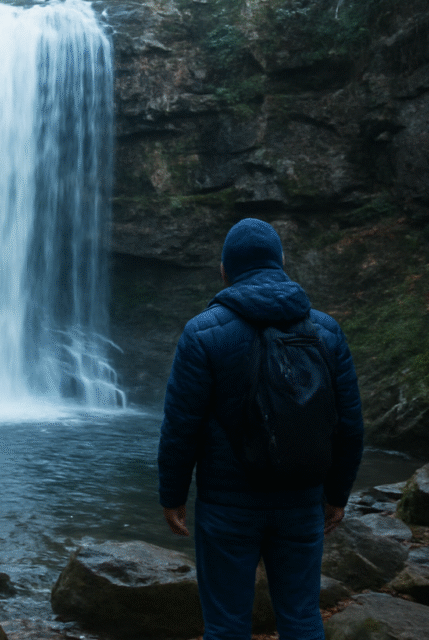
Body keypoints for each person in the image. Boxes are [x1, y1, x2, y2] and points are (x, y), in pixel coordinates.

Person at [157, 218, 363, 640]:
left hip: (226, 504)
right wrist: (337, 494)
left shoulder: (202, 333)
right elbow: (350, 424)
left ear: (224, 270)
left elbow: (181, 426)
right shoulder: (326, 331)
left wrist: (172, 496)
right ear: (281, 262)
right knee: (302, 618)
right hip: (301, 500)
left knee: (226, 625)